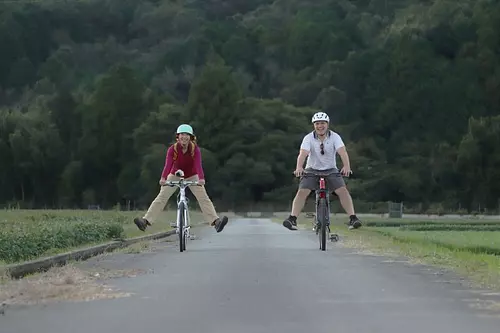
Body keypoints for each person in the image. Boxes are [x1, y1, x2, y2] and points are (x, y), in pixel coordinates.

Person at [134, 124, 229, 233]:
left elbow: (198, 165)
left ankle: (215, 221)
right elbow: (168, 165)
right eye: (182, 135)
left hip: (192, 175)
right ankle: (145, 221)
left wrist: (201, 179)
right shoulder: (172, 149)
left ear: (191, 137)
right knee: (162, 196)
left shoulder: (195, 149)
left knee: (203, 197)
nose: (184, 137)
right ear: (178, 137)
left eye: (187, 135)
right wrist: (163, 178)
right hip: (175, 174)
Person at [282, 111, 362, 231]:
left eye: (323, 123)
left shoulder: (335, 137)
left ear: (327, 124)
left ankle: (353, 218)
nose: (320, 126)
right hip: (311, 170)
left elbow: (342, 152)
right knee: (302, 191)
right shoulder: (308, 138)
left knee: (342, 190)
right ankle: (292, 218)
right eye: (317, 123)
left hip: (331, 170)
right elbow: (303, 154)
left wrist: (346, 166)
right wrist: (299, 167)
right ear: (314, 125)